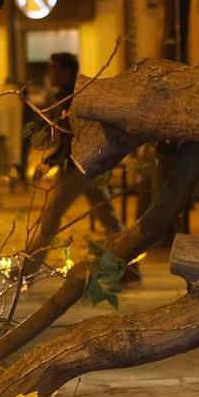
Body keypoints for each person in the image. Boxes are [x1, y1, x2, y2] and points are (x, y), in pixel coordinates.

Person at [24, 53, 126, 277]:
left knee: (51, 215)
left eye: (55, 69)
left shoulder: (73, 97)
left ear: (68, 72)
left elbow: (73, 137)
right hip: (88, 164)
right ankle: (128, 267)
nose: (50, 74)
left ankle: (26, 271)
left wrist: (49, 162)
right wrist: (51, 161)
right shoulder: (66, 95)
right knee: (106, 216)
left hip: (80, 167)